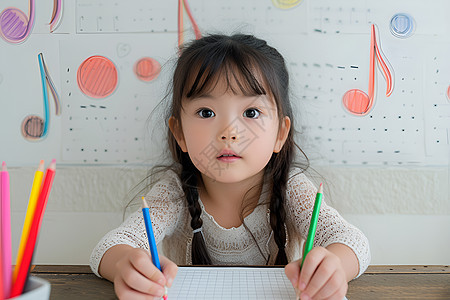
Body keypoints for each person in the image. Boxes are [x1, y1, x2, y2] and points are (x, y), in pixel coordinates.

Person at [90, 34, 370, 300]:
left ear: (280, 134)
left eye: (251, 112)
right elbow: (109, 247)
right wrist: (124, 265)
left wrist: (336, 267)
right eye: (206, 112)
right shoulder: (173, 192)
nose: (229, 132)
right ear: (180, 134)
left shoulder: (291, 188)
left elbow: (351, 240)